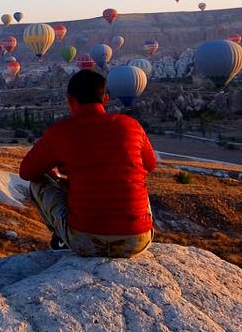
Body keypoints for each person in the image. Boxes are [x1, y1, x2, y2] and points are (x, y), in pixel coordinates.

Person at [19, 69, 156, 258]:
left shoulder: (61, 132)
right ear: (106, 99)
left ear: (70, 100)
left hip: (85, 241)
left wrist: (57, 175)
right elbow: (150, 165)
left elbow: (26, 172)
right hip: (137, 240)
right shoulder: (131, 125)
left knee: (37, 181)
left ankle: (61, 237)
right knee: (136, 176)